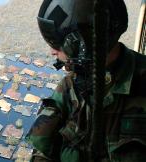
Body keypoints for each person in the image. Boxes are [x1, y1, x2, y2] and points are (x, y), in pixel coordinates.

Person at [27, 0, 146, 161]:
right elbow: (42, 151)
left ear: (82, 44)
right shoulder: (70, 86)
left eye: (57, 43)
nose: (52, 52)